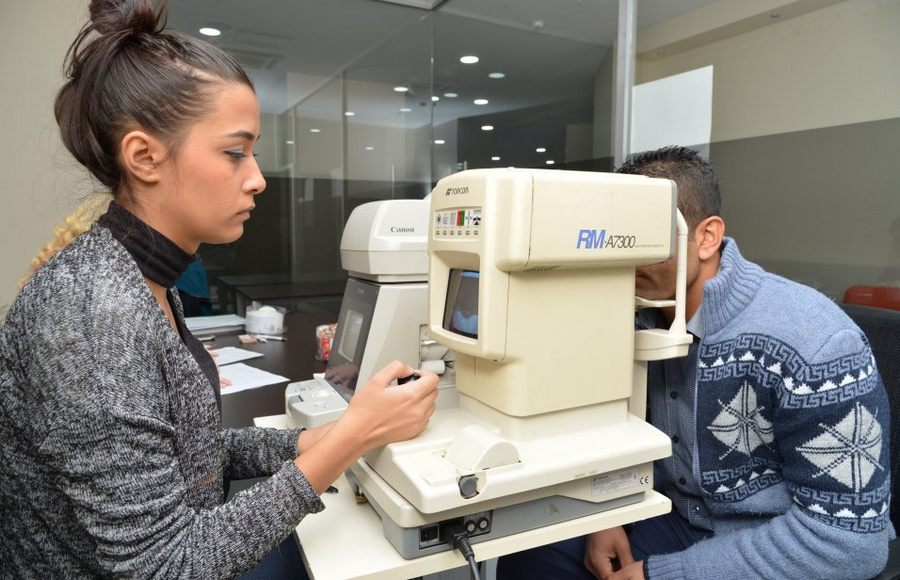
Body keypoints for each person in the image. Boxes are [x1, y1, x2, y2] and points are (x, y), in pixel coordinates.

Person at [0, 1, 438, 578]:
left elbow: (190, 458)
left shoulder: (145, 281)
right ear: (144, 156)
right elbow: (166, 566)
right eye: (235, 153)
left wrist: (315, 440)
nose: (256, 178)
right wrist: (351, 439)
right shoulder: (92, 312)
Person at [498, 146, 892, 579]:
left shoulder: (812, 342)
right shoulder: (633, 312)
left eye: (645, 238)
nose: (624, 256)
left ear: (706, 237)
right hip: (673, 514)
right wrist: (607, 512)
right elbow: (606, 432)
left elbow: (849, 544)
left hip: (774, 538)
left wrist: (663, 574)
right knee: (531, 554)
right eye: (614, 238)